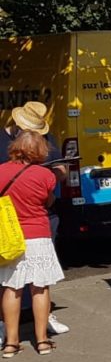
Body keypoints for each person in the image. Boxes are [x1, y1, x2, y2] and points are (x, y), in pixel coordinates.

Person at [0, 101, 69, 341]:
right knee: (40, 286)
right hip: (36, 229)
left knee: (11, 285)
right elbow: (48, 200)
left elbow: (62, 169)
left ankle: (11, 341)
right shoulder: (43, 175)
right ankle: (41, 340)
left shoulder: (3, 171)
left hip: (9, 227)